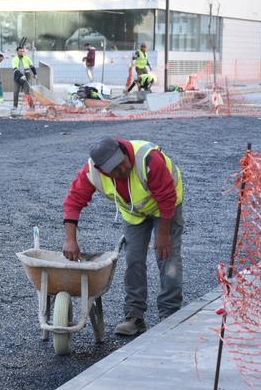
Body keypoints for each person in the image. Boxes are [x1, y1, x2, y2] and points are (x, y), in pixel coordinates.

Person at [62, 137, 184, 336]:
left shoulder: (149, 159)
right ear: (102, 170)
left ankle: (170, 315)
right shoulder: (92, 172)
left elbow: (167, 197)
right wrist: (70, 240)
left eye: (122, 164)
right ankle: (134, 317)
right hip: (134, 213)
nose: (121, 171)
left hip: (167, 207)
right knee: (133, 259)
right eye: (113, 170)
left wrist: (162, 235)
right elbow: (73, 201)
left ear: (125, 153)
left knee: (167, 257)